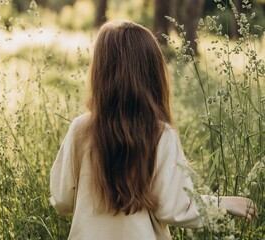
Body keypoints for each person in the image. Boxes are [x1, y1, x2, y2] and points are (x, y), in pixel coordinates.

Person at [49, 20, 258, 239]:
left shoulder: (80, 129)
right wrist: (223, 203)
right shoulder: (161, 135)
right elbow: (174, 208)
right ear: (153, 73)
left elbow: (62, 199)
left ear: (100, 72)